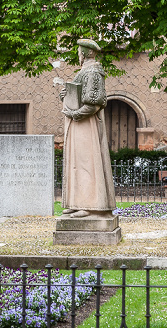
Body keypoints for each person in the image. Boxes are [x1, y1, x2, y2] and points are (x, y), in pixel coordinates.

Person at [59, 39, 116, 218]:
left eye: (78, 51)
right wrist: (65, 95)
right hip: (78, 126)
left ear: (83, 53)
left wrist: (74, 114)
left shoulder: (92, 72)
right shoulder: (84, 71)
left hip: (86, 126)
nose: (78, 55)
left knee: (87, 164)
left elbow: (93, 103)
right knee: (77, 163)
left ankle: (89, 205)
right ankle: (77, 203)